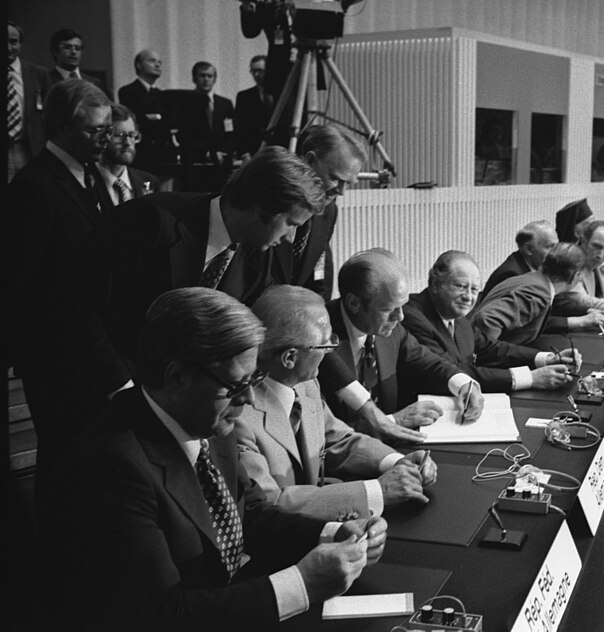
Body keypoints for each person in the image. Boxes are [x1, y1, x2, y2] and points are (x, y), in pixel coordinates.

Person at [52, 287, 385, 630]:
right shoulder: (108, 468)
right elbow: (163, 615)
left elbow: (249, 516)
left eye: (254, 379)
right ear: (177, 378)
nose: (250, 399)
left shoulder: (210, 423)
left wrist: (332, 533)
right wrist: (301, 584)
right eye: (237, 385)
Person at [60, 147, 321, 461]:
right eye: (290, 223)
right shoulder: (148, 221)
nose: (291, 237)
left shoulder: (258, 259)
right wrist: (125, 391)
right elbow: (76, 306)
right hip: (97, 394)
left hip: (176, 413)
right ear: (262, 206)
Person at [236, 285, 437, 522]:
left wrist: (397, 462)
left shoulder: (306, 385)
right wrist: (377, 491)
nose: (332, 351)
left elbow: (337, 439)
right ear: (290, 357)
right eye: (325, 344)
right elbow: (269, 503)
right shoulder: (238, 416)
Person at [5, 78, 111, 515]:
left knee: (89, 460)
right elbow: (20, 284)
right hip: (54, 356)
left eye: (107, 129)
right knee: (62, 459)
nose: (105, 139)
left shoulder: (90, 175)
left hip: (90, 346)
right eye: (95, 130)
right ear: (63, 127)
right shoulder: (32, 187)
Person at [319, 249, 485, 436]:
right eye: (388, 309)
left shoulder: (392, 329)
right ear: (353, 303)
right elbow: (318, 435)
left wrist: (464, 384)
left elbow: (427, 363)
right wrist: (394, 421)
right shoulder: (316, 340)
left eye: (402, 305)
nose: (400, 317)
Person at [404, 251, 580, 393]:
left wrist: (547, 359)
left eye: (474, 289)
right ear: (435, 284)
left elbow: (491, 349)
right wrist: (530, 378)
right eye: (461, 286)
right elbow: (452, 371)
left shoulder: (455, 315)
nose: (468, 297)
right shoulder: (412, 317)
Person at [276, 123, 365, 302]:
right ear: (309, 161)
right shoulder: (273, 202)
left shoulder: (328, 211)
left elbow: (319, 273)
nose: (341, 191)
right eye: (335, 178)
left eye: (348, 184)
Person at [471, 243, 587, 346]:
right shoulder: (539, 293)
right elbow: (487, 320)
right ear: (575, 276)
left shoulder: (534, 280)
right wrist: (488, 353)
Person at [7, 21, 53, 181]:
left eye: (13, 42)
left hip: (29, 150)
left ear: (20, 45)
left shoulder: (38, 74)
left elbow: (51, 114)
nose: (8, 47)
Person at [94, 104, 161, 208]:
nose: (128, 143)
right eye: (119, 135)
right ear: (103, 137)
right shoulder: (87, 181)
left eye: (132, 135)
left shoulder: (150, 182)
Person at [117, 49, 168, 173]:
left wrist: (152, 118)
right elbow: (137, 121)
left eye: (159, 62)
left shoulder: (163, 95)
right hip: (140, 153)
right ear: (139, 65)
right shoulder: (127, 91)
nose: (157, 65)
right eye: (152, 61)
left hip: (162, 154)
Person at [482, 220, 558, 297]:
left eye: (557, 246)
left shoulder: (531, 267)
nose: (557, 252)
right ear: (528, 249)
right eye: (550, 247)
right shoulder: (512, 275)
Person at [188, 61, 234, 164]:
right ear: (194, 78)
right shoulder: (186, 103)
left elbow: (231, 132)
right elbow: (185, 134)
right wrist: (207, 153)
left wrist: (224, 152)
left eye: (209, 76)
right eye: (202, 75)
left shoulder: (225, 104)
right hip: (197, 161)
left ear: (215, 79)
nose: (206, 79)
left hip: (222, 160)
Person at [47, 28, 108, 95]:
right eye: (67, 47)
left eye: (77, 48)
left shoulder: (95, 83)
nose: (73, 52)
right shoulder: (46, 81)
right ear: (55, 51)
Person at [235, 55, 273, 159]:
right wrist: (244, 152)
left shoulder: (284, 94)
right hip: (254, 151)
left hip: (280, 149)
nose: (256, 74)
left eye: (260, 70)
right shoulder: (244, 96)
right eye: (253, 71)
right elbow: (240, 127)